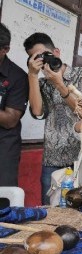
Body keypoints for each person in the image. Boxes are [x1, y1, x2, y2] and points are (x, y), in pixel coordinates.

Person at [24, 33, 82, 204]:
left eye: (45, 55)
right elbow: (37, 111)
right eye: (37, 58)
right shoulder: (41, 83)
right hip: (53, 158)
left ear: (56, 52)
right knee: (50, 213)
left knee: (81, 212)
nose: (43, 61)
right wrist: (33, 75)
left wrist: (59, 84)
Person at [0, 24, 28, 186]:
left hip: (4, 149)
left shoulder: (17, 77)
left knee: (3, 199)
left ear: (5, 50)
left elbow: (11, 119)